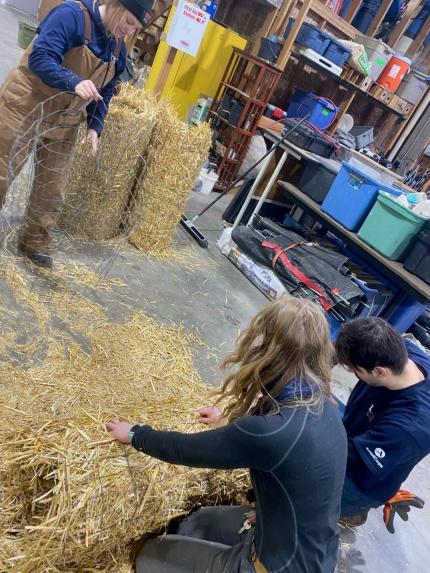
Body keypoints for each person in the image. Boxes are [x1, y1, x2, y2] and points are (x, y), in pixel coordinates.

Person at [108, 298, 347, 573]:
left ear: (269, 347)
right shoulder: (325, 405)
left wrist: (137, 434)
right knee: (195, 523)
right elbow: (280, 444)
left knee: (148, 556)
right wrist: (229, 421)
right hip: (311, 550)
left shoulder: (271, 433)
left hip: (272, 566)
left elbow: (183, 449)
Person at [0, 0, 153, 268]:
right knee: (3, 168)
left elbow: (106, 90)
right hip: (28, 101)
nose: (129, 31)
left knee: (53, 186)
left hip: (67, 116)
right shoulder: (72, 15)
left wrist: (95, 126)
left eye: (135, 28)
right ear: (116, 6)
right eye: (129, 21)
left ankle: (35, 240)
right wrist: (73, 81)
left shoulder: (117, 46)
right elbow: (40, 57)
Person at [335, 317, 430, 529]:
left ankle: (350, 510)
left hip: (361, 481)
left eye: (355, 370)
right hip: (366, 435)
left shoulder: (408, 427)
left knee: (312, 493)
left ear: (380, 372)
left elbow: (345, 452)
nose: (351, 372)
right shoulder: (402, 350)